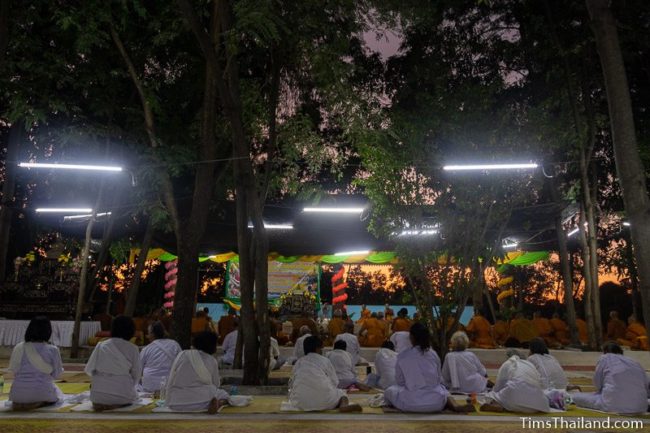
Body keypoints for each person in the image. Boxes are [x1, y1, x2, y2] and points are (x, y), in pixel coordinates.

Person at [384, 323, 474, 413]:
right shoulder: (433, 354)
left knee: (390, 390)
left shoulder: (403, 356)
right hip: (436, 403)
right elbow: (438, 379)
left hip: (410, 403)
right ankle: (455, 405)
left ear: (411, 337)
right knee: (442, 388)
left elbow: (400, 382)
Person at [289, 336, 362, 412]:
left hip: (300, 403)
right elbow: (335, 382)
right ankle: (343, 406)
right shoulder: (325, 360)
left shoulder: (299, 362)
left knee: (296, 394)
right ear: (317, 349)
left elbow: (292, 381)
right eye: (321, 348)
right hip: (325, 402)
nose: (322, 351)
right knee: (342, 393)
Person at [572, 342, 648, 414]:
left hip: (612, 404)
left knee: (575, 397)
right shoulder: (634, 362)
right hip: (641, 407)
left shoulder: (605, 358)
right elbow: (646, 385)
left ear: (605, 351)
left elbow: (597, 383)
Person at [165, 331, 231, 414]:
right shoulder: (212, 360)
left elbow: (172, 377)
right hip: (203, 402)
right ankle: (220, 403)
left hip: (176, 403)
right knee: (224, 395)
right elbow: (216, 384)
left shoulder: (182, 354)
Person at [85, 315, 141, 411]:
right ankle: (116, 404)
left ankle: (105, 403)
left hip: (97, 396)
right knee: (134, 396)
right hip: (122, 395)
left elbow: (89, 370)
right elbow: (136, 377)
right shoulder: (133, 349)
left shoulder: (101, 346)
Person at [8, 316, 64, 410]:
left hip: (16, 395)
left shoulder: (19, 347)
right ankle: (38, 401)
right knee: (58, 393)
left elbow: (14, 370)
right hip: (41, 392)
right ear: (48, 331)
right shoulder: (52, 349)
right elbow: (57, 374)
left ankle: (26, 402)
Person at [480, 349, 550, 413]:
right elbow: (540, 384)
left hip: (514, 397)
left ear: (508, 357)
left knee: (491, 395)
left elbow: (498, 386)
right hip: (537, 405)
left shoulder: (508, 363)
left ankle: (503, 407)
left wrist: (495, 395)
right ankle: (507, 407)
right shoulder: (530, 365)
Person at [139, 321, 182, 393]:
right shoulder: (174, 344)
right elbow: (181, 363)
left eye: (149, 333)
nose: (147, 336)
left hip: (150, 387)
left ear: (152, 334)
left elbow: (138, 368)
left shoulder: (146, 349)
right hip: (170, 385)